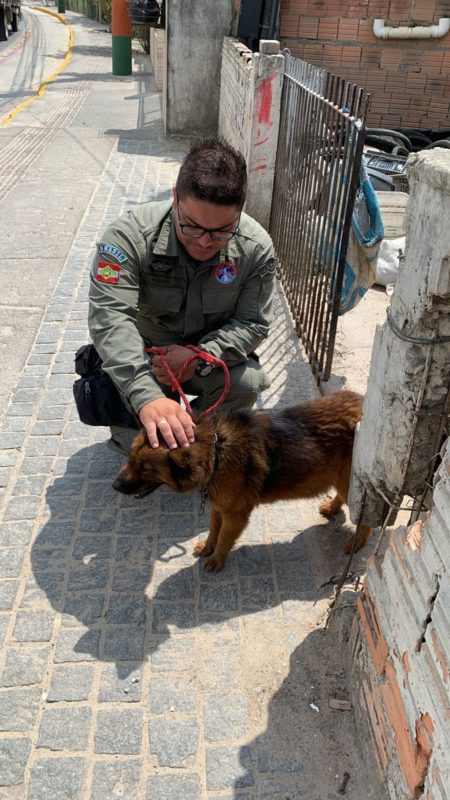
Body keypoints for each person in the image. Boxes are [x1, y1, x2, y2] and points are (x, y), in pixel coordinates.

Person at [88, 137, 276, 456]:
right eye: (191, 227)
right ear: (175, 198)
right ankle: (156, 421)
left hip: (208, 361)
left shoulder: (256, 248)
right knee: (141, 449)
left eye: (221, 232)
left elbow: (252, 323)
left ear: (241, 211)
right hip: (147, 359)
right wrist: (146, 395)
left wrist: (198, 359)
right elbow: (111, 321)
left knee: (247, 381)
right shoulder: (127, 239)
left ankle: (200, 440)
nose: (204, 242)